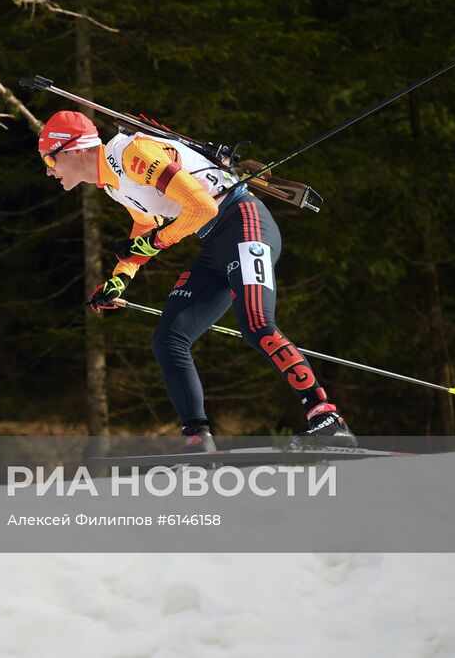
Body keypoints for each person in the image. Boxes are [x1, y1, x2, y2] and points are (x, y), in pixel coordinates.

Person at [37, 109, 355, 450]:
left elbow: (203, 207)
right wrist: (121, 277)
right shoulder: (113, 184)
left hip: (243, 221)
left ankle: (328, 419)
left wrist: (158, 241)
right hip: (215, 241)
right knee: (169, 339)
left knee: (256, 322)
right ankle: (198, 439)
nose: (48, 170)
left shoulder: (130, 154)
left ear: (73, 149)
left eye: (49, 160)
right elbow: (144, 228)